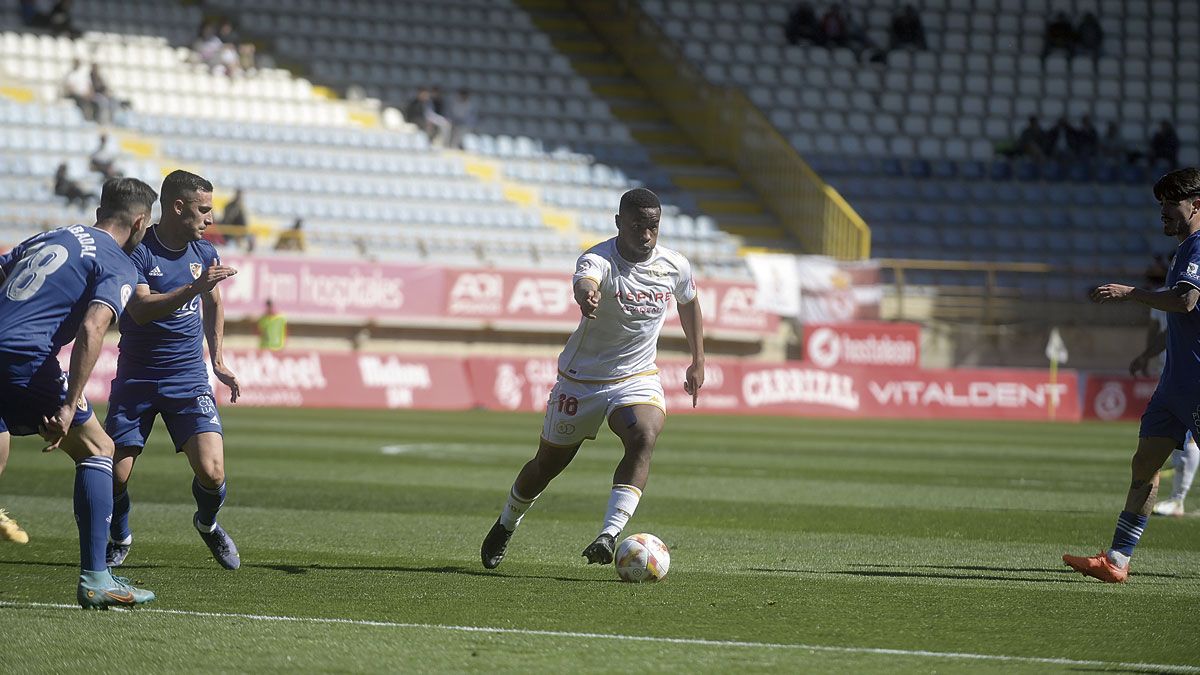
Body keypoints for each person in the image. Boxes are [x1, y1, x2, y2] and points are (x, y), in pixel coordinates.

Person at [480, 188, 705, 569]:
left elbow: (689, 301)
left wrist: (698, 359)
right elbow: (585, 281)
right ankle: (506, 522)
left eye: (653, 226)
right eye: (637, 226)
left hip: (636, 376)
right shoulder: (598, 258)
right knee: (547, 465)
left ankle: (609, 533)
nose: (646, 235)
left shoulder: (674, 265)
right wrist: (586, 296)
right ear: (619, 223)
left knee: (643, 436)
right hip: (581, 381)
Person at [0, 176, 157, 607]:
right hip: (26, 358)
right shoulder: (119, 262)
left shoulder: (53, 235)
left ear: (98, 212)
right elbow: (93, 326)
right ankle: (96, 578)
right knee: (97, 449)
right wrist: (70, 404)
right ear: (140, 222)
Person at [1064, 167, 1200, 582]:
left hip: (1197, 385)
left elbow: (1187, 301)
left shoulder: (1198, 247)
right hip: (1174, 387)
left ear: (1196, 205)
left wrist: (1132, 293)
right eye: (1161, 204)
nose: (1163, 212)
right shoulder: (1184, 248)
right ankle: (1118, 560)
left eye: (1171, 205)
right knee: (1145, 463)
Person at [103, 170, 243, 571]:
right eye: (203, 210)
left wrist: (216, 360)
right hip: (137, 377)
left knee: (213, 473)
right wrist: (193, 289)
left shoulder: (205, 252)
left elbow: (215, 302)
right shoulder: (139, 251)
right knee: (114, 475)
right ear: (177, 208)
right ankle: (120, 535)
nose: (210, 219)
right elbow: (141, 310)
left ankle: (207, 523)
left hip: (187, 377)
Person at [1127, 256, 1198, 518]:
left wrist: (1129, 293)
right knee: (1151, 456)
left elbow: (1176, 313)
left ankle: (1178, 498)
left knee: (1187, 441)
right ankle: (1120, 555)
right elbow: (1162, 332)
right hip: (1171, 374)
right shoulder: (1160, 296)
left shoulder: (1185, 289)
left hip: (1191, 374)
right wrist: (1146, 356)